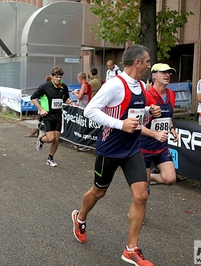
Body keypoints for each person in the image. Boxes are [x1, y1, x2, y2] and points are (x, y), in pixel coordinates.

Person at [72, 44, 167, 266]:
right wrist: (119, 124)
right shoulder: (115, 85)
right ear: (137, 63)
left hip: (132, 148)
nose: (149, 65)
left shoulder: (142, 86)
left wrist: (148, 111)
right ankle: (80, 218)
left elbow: (133, 114)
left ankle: (130, 249)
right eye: (147, 61)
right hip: (110, 148)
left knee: (142, 195)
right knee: (98, 192)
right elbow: (90, 111)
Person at [141, 63, 178, 186]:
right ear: (154, 75)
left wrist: (172, 128)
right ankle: (144, 178)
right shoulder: (146, 95)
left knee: (170, 179)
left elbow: (167, 117)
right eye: (163, 72)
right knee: (143, 191)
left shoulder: (171, 94)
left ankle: (149, 177)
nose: (167, 75)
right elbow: (136, 123)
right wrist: (154, 134)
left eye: (169, 73)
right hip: (144, 146)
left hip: (161, 146)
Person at [30, 66, 73, 167]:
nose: (58, 79)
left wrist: (69, 101)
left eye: (60, 77)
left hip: (58, 115)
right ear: (52, 77)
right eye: (57, 77)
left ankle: (50, 158)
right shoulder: (44, 87)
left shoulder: (64, 87)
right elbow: (33, 98)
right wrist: (41, 109)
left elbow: (66, 98)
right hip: (48, 115)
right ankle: (41, 140)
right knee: (50, 138)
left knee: (57, 139)